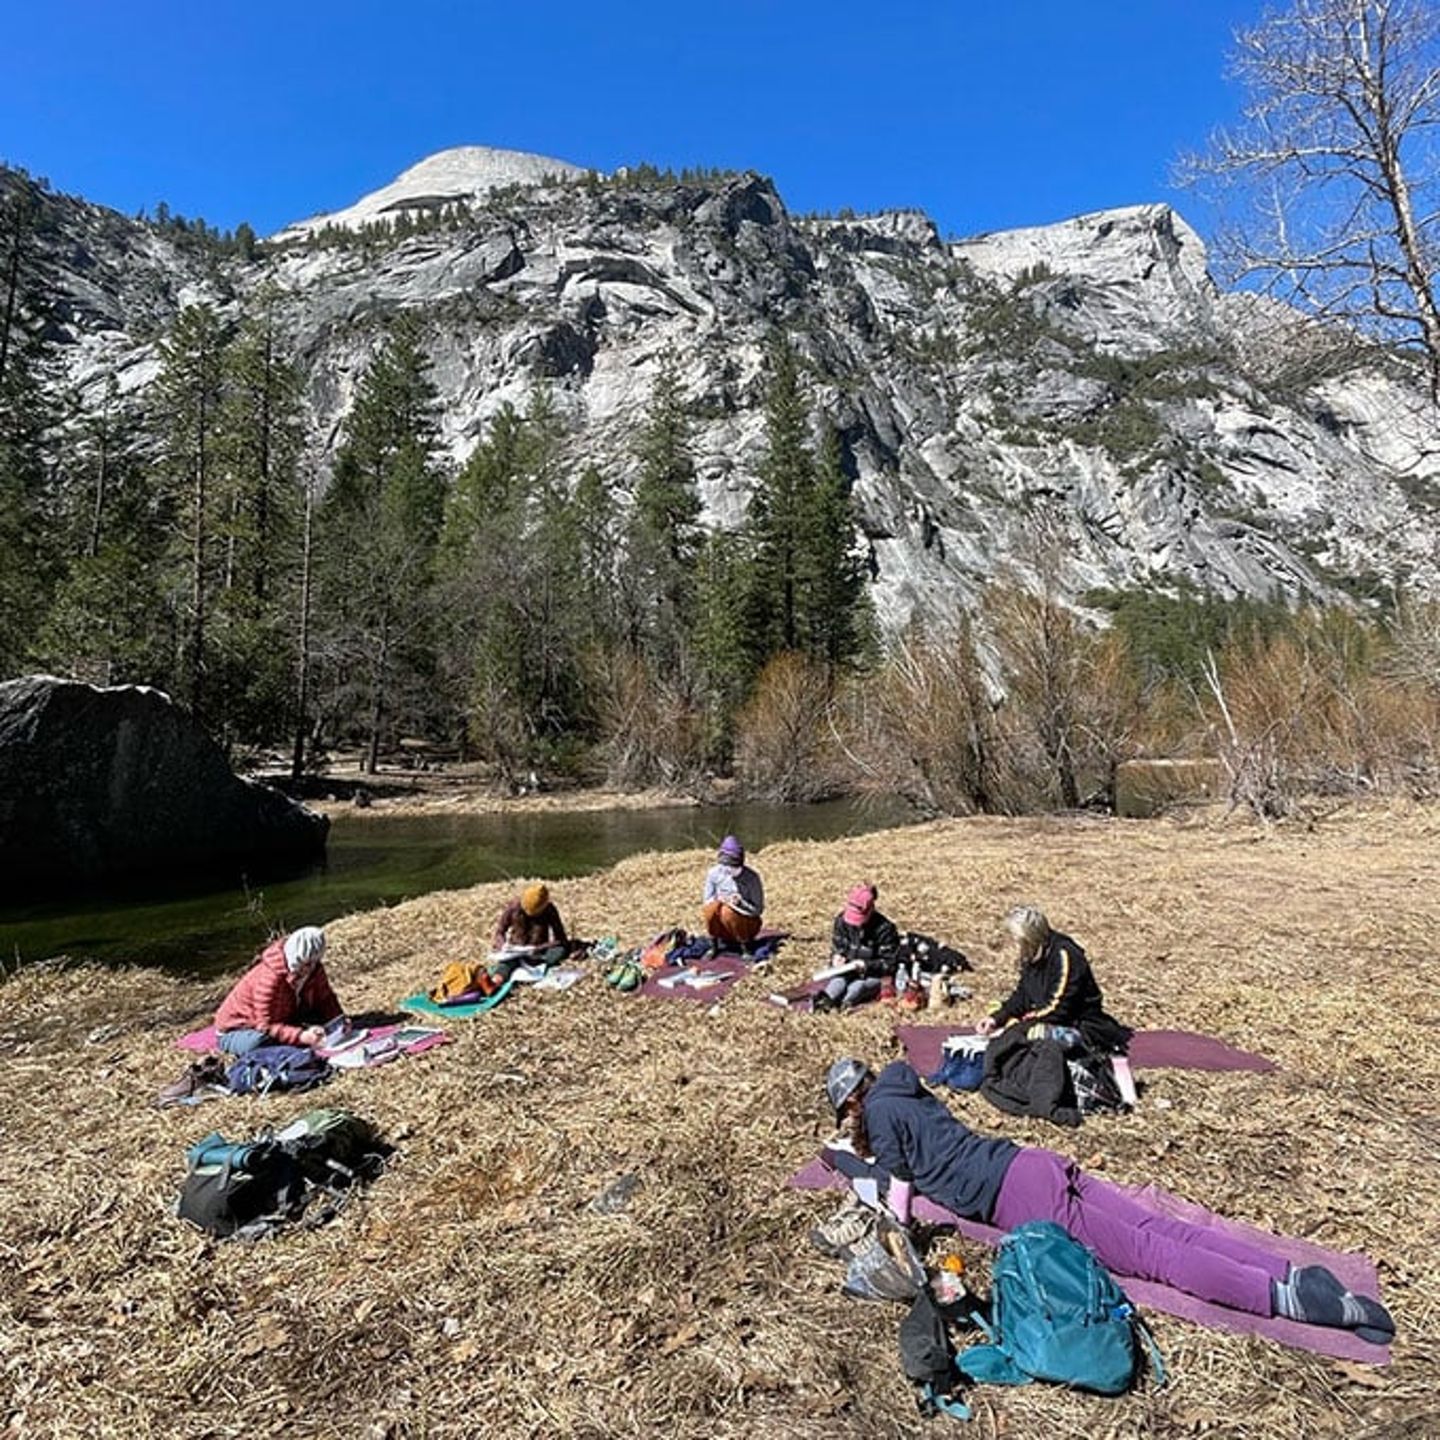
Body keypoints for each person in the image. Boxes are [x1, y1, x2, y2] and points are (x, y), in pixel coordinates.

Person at [820, 1057, 1394, 1342]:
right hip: (1028, 1161)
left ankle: (1296, 1302)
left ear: (850, 1106)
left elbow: (898, 1186)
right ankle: (1291, 1270)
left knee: (1154, 1260)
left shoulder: (877, 1115)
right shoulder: (904, 1090)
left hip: (1014, 1197)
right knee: (1167, 1231)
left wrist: (898, 1233)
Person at [976, 905, 1130, 1052]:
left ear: (1029, 939)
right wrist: (996, 1018)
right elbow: (1023, 995)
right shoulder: (1031, 957)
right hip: (1047, 1020)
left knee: (1030, 1035)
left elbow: (1058, 1008)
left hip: (1079, 1025)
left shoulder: (1065, 955)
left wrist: (1018, 1027)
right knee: (1013, 1033)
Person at [214, 926, 344, 1057]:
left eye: (313, 963)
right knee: (258, 1043)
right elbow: (266, 1025)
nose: (309, 969)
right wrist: (301, 1036)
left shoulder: (315, 969)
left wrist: (338, 1020)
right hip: (241, 1028)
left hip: (284, 1016)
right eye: (305, 964)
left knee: (324, 1021)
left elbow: (325, 998)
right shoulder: (270, 979)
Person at [816, 883, 900, 1011]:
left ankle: (845, 1005)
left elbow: (890, 964)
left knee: (857, 987)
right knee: (837, 983)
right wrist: (836, 957)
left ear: (871, 909)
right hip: (847, 970)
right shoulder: (841, 922)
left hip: (873, 975)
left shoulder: (885, 929)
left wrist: (867, 965)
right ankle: (825, 1002)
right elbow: (837, 947)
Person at [701, 835, 765, 955]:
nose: (729, 870)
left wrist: (740, 904)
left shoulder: (752, 878)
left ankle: (745, 947)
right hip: (723, 925)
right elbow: (707, 900)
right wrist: (719, 899)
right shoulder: (714, 874)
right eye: (726, 867)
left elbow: (758, 910)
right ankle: (714, 945)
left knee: (728, 911)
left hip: (746, 924)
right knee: (711, 909)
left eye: (734, 867)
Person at [492, 883, 568, 952]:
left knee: (559, 952)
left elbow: (560, 939)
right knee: (501, 967)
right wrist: (503, 945)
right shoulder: (514, 907)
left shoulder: (549, 910)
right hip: (515, 951)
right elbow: (499, 932)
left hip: (539, 952)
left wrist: (538, 948)